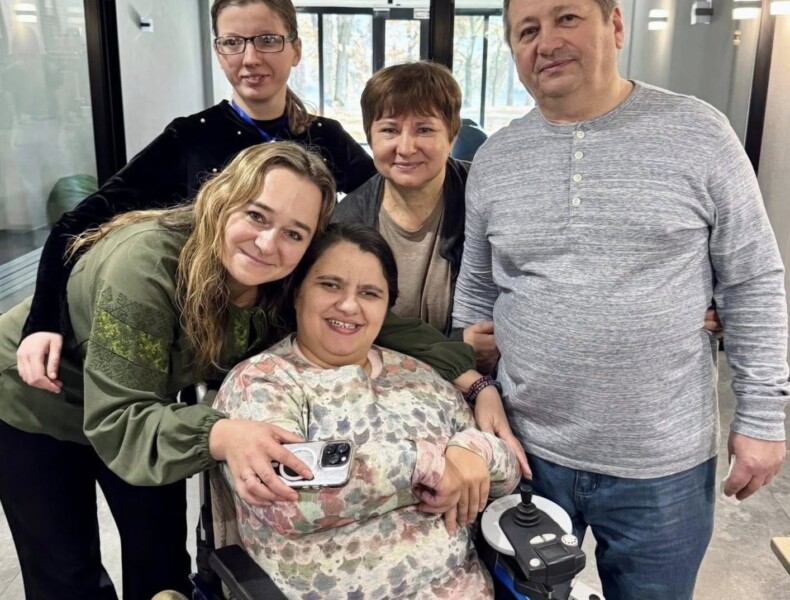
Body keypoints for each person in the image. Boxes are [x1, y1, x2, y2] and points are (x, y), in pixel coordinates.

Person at [0, 143, 483, 600]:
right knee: (65, 569)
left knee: (160, 558)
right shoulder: (144, 266)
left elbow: (371, 320)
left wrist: (472, 379)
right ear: (221, 200)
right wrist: (221, 433)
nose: (268, 244)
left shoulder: (281, 275)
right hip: (37, 397)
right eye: (256, 215)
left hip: (144, 400)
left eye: (294, 233)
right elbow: (119, 421)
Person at [452, 1, 789, 599]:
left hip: (661, 466)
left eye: (566, 18)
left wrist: (762, 417)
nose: (546, 42)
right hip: (526, 454)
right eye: (527, 30)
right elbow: (476, 291)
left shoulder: (698, 133)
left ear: (614, 25)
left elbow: (752, 279)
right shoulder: (495, 160)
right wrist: (475, 389)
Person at [17, 0, 376, 393]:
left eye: (267, 40)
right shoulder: (190, 138)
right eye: (232, 42)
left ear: (296, 49)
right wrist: (43, 322)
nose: (250, 58)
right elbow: (78, 223)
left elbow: (379, 199)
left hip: (274, 334)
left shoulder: (324, 138)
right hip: (193, 342)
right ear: (218, 52)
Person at [212, 221, 521, 599]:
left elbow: (508, 474)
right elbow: (288, 502)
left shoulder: (420, 376)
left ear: (386, 307)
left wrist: (473, 451)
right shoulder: (263, 382)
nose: (349, 305)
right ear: (297, 293)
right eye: (330, 285)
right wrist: (423, 463)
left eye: (370, 293)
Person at [335, 61, 499, 373]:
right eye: (390, 130)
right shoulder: (345, 223)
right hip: (383, 376)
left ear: (452, 136)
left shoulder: (488, 197)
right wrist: (455, 348)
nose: (406, 148)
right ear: (370, 137)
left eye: (424, 129)